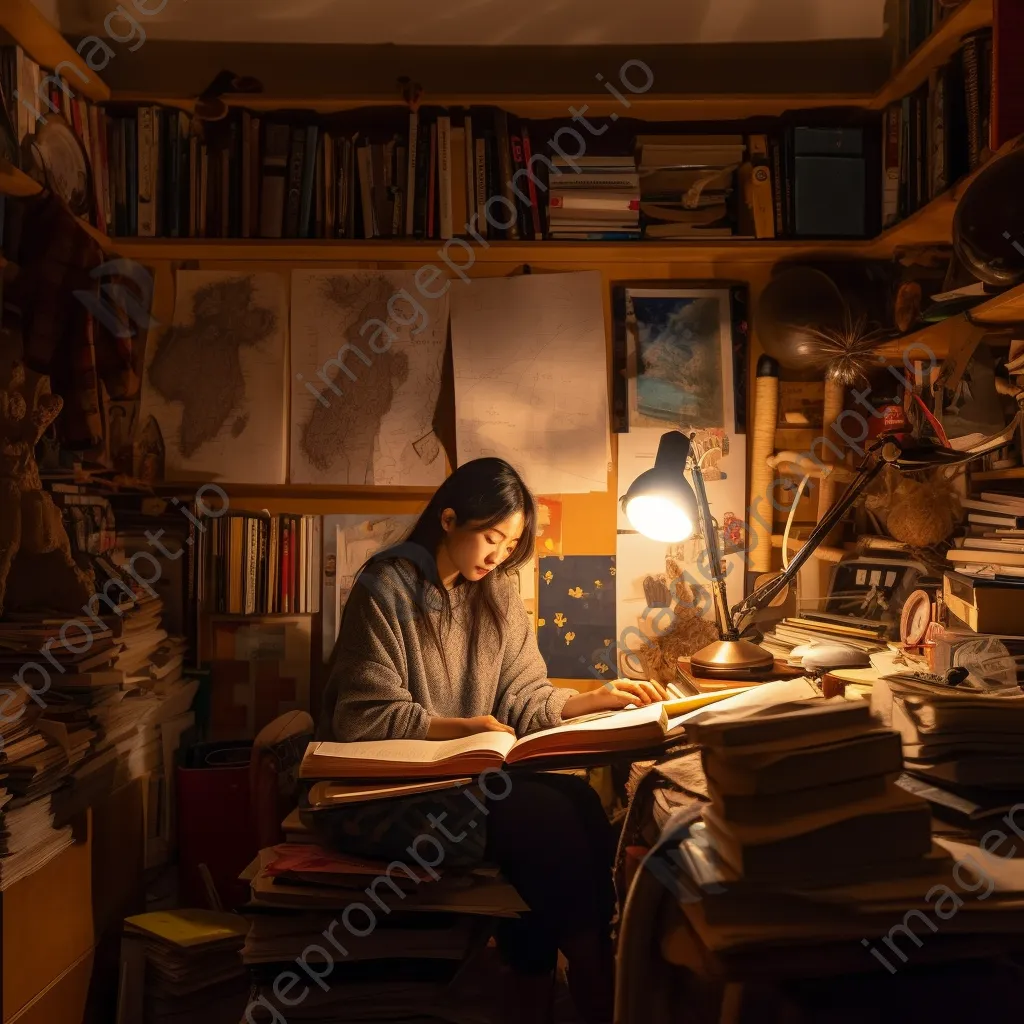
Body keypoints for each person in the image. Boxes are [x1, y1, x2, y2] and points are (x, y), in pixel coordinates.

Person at [318, 457, 667, 1023]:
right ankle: (588, 977)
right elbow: (361, 717)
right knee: (544, 820)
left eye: (510, 546)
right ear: (450, 520)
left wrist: (592, 701)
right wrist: (464, 729)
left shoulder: (499, 594)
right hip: (386, 793)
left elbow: (523, 699)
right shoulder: (386, 588)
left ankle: (548, 976)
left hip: (470, 779)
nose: (498, 556)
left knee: (577, 800)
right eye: (490, 537)